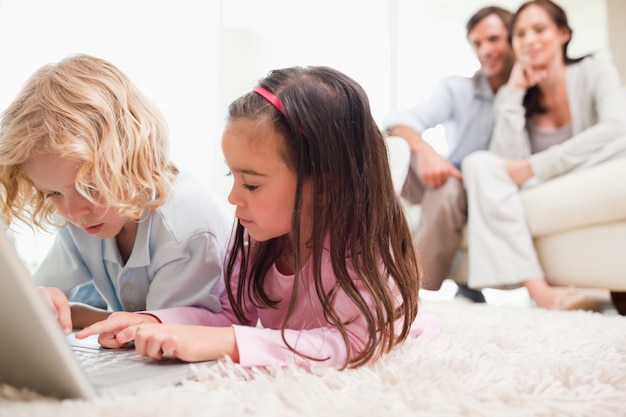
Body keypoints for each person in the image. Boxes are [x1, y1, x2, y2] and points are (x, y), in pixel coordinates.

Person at [78, 66, 439, 369]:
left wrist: (230, 344)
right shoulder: (255, 240)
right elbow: (229, 315)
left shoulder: (364, 251)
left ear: (326, 186)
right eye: (231, 177)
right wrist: (155, 322)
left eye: (250, 184)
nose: (233, 197)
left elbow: (356, 343)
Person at [0, 54, 233, 332]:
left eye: (90, 187)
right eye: (53, 193)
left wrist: (78, 314)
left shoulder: (186, 227)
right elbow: (44, 291)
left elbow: (156, 333)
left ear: (131, 160)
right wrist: (43, 299)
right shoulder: (82, 218)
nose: (74, 212)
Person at [462, 0, 626, 310]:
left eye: (540, 29)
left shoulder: (595, 69)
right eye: (520, 34)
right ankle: (540, 290)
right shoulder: (514, 95)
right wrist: (513, 91)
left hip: (592, 170)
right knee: (478, 164)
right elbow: (504, 161)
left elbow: (617, 129)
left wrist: (535, 165)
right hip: (544, 186)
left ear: (563, 33)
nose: (529, 40)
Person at [382, 6, 515, 301]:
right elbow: (396, 122)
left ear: (514, 39)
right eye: (477, 44)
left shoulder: (531, 95)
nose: (485, 50)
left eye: (493, 39)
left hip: (486, 185)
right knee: (393, 145)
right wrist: (427, 152)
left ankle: (407, 292)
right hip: (444, 174)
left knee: (447, 190)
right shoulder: (458, 88)